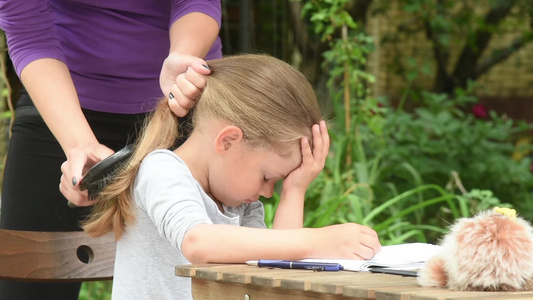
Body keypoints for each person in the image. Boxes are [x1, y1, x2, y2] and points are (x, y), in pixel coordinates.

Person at [82, 54, 382, 300]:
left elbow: (271, 275)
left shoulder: (239, 204)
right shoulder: (162, 169)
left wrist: (295, 190)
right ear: (228, 141)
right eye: (267, 176)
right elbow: (198, 243)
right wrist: (318, 241)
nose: (267, 193)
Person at [0, 0, 222, 299]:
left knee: (197, 279)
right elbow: (30, 34)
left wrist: (183, 58)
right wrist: (80, 144)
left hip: (179, 97)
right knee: (26, 276)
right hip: (60, 101)